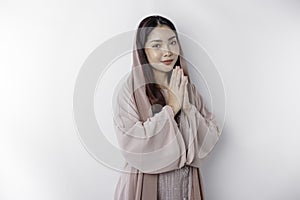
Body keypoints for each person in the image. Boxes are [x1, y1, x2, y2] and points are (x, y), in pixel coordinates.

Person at [113, 15, 221, 200]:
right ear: (142, 51)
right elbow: (131, 143)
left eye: (172, 42)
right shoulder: (129, 91)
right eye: (157, 45)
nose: (168, 51)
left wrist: (187, 109)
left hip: (184, 186)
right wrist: (171, 107)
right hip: (145, 184)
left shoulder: (186, 87)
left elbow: (210, 137)